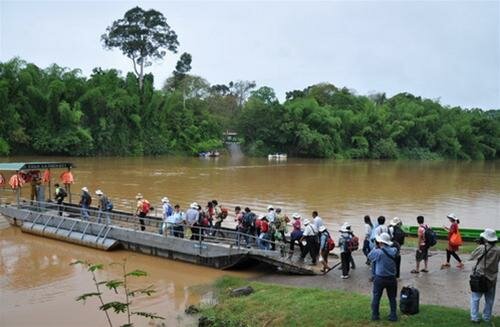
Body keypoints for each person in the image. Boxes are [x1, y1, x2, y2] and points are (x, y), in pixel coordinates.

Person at [469, 228, 500, 324]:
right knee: (490, 300)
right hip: (492, 278)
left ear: (485, 238)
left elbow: (471, 257)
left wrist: (480, 246)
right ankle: (486, 318)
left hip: (479, 277)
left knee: (475, 298)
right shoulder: (498, 250)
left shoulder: (482, 248)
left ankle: (474, 317)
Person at [368, 232, 398, 322]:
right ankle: (393, 315)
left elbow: (369, 256)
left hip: (380, 278)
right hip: (392, 278)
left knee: (376, 297)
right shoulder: (394, 250)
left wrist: (375, 247)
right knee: (392, 298)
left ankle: (375, 315)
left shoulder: (378, 252)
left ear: (380, 242)